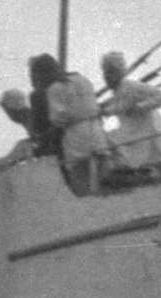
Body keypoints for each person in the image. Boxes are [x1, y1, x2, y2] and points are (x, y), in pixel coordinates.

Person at [97, 50, 161, 185]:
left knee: (107, 140)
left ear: (119, 73)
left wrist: (141, 107)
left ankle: (121, 172)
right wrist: (100, 111)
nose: (107, 77)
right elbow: (116, 106)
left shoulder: (132, 86)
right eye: (105, 74)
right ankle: (117, 172)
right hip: (131, 132)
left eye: (111, 73)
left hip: (143, 131)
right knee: (104, 139)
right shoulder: (117, 92)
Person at [36, 52, 108, 194]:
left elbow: (58, 119)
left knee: (80, 180)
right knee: (102, 176)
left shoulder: (54, 89)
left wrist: (47, 137)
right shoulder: (84, 80)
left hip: (76, 137)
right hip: (97, 132)